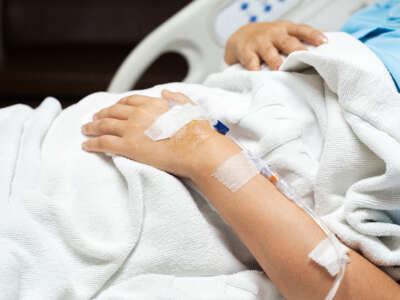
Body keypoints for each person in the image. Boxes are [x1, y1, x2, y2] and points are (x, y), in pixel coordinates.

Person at [81, 8, 400, 300]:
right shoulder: (385, 15)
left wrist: (203, 151)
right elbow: (300, 65)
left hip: (224, 172)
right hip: (180, 116)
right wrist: (254, 41)